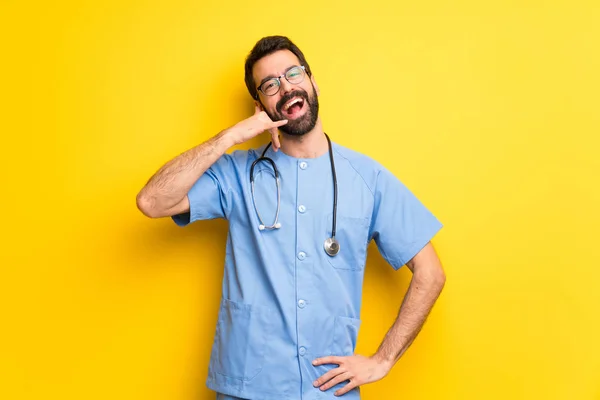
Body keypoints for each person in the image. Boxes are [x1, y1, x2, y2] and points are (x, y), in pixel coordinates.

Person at [136, 35, 446, 400]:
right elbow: (152, 201)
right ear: (260, 104)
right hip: (247, 389)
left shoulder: (367, 178)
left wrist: (382, 360)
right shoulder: (237, 174)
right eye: (270, 84)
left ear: (312, 81)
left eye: (293, 74)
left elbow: (431, 273)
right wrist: (232, 136)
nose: (285, 87)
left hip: (328, 390)